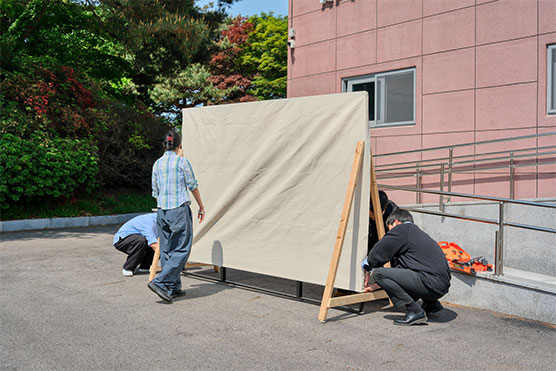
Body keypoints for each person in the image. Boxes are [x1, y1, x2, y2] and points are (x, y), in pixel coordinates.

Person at [361, 209, 451, 326]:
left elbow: (376, 254)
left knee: (379, 274)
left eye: (390, 230)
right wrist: (376, 286)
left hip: (430, 282)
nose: (390, 234)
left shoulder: (402, 230)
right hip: (440, 285)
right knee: (408, 270)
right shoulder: (419, 234)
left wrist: (367, 266)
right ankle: (431, 304)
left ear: (396, 222)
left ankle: (414, 311)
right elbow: (404, 273)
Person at [148, 129, 206, 303]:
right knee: (182, 248)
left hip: (162, 211)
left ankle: (173, 287)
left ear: (163, 145)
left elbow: (155, 191)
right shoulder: (182, 162)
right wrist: (201, 206)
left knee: (167, 250)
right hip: (178, 210)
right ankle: (161, 282)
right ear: (179, 145)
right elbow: (193, 186)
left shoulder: (157, 164)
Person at [113, 213, 158, 277]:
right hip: (122, 240)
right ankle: (128, 268)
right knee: (142, 241)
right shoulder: (149, 222)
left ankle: (145, 266)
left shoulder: (163, 223)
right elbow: (153, 244)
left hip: (137, 239)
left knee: (158, 242)